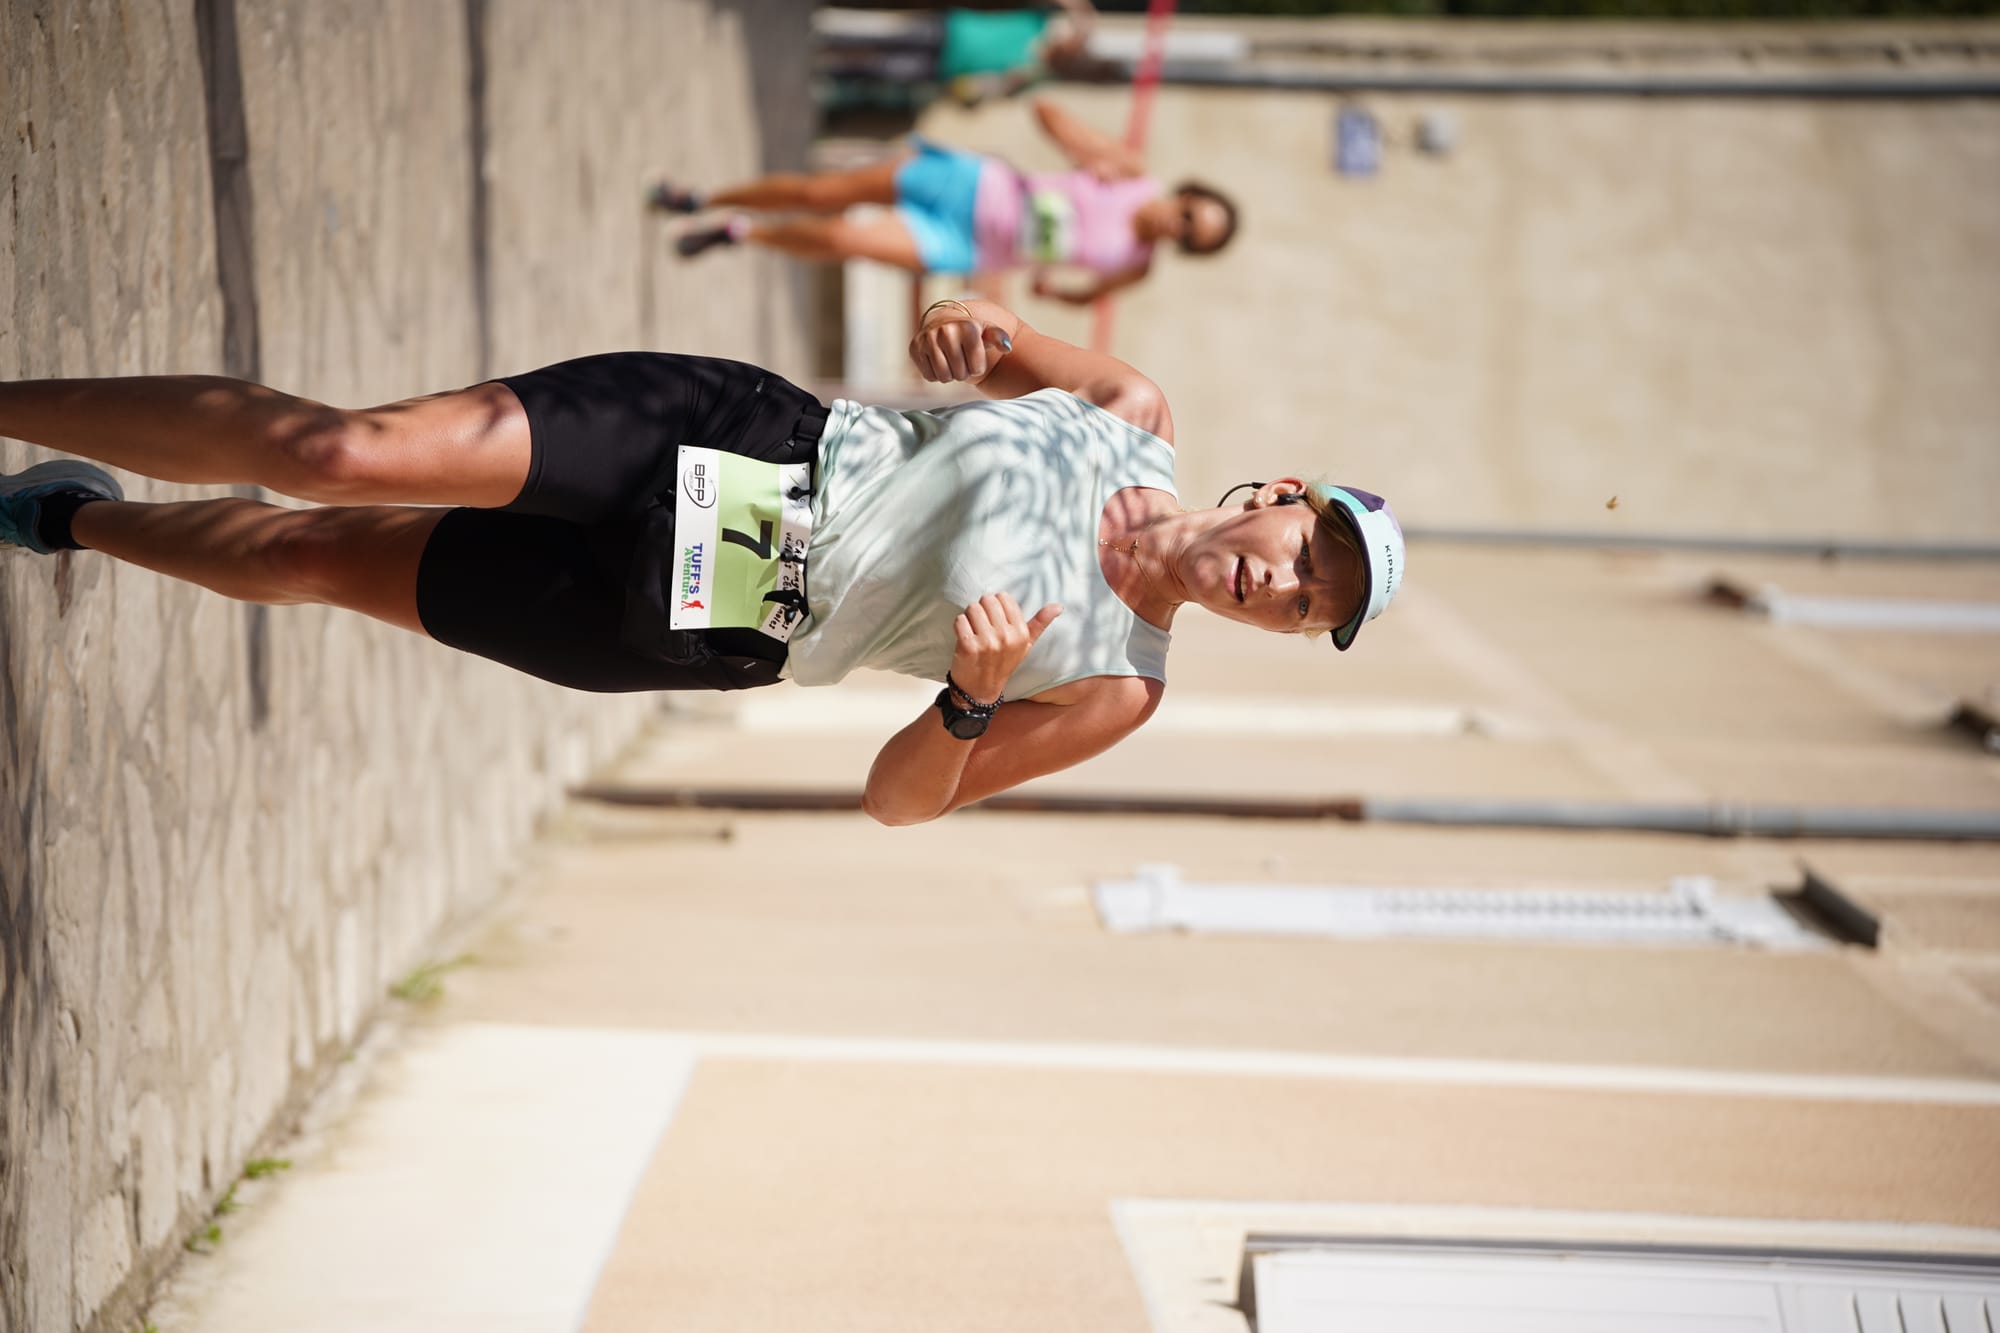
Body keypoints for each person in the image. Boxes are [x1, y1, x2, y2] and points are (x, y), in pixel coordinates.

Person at [0, 296, 1401, 825]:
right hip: (734, 441)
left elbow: (900, 804)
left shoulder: (1116, 689)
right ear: (1280, 497)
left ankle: (74, 519)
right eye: (1308, 553)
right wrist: (960, 331)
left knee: (312, 555)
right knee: (337, 459)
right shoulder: (1130, 413)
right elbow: (962, 330)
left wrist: (968, 700)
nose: (1285, 587)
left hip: (715, 620)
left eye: (1310, 609)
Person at [652, 98, 1239, 305]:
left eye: (1190, 239)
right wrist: (1087, 149)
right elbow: (1046, 112)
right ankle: (704, 196)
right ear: (1184, 194)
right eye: (1190, 216)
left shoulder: (1134, 266)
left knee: (842, 239)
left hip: (965, 245)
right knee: (820, 194)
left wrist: (1053, 289)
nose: (1178, 228)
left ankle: (740, 232)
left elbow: (1088, 295)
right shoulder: (1132, 174)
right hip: (971, 185)